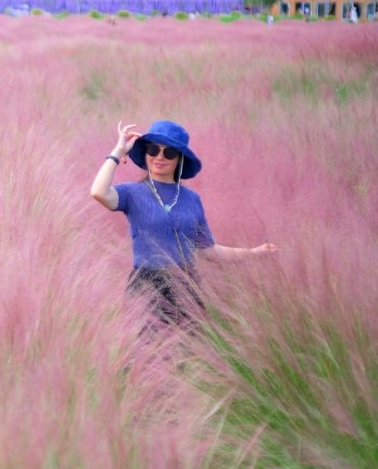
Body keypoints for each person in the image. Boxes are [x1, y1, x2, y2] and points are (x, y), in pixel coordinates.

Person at [90, 120, 276, 332]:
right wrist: (118, 151)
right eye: (153, 150)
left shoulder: (192, 200)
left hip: (186, 286)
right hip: (147, 286)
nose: (159, 157)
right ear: (145, 153)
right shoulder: (132, 193)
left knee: (185, 356)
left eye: (169, 153)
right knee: (146, 358)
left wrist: (253, 253)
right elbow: (98, 192)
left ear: (180, 159)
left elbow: (209, 251)